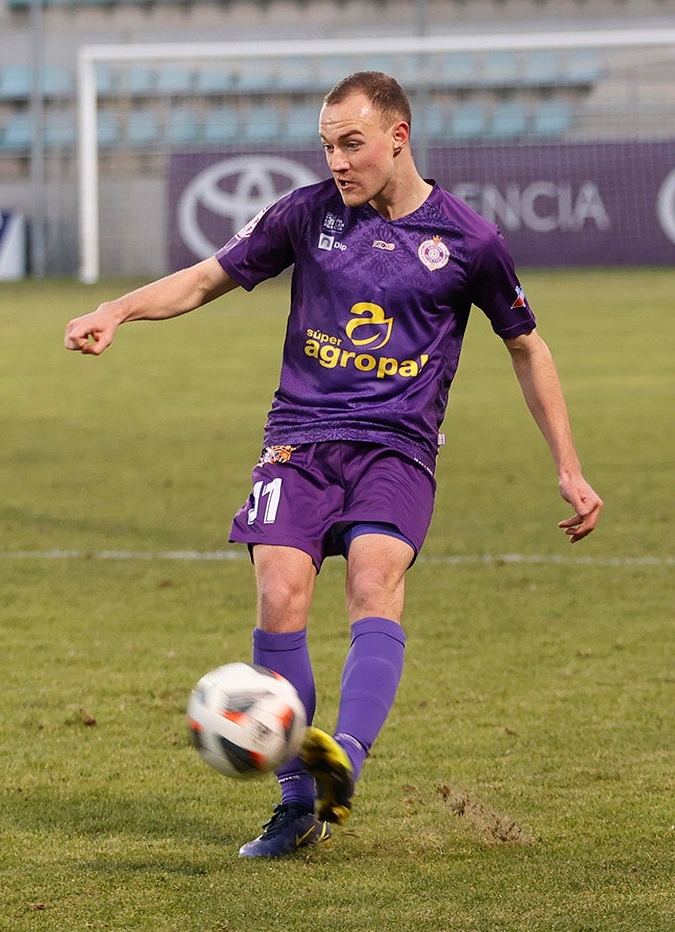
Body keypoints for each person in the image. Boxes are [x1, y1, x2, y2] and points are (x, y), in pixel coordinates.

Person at [64, 71, 603, 859]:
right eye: (327, 146)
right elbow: (210, 276)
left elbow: (527, 345)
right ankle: (295, 803)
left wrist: (569, 465)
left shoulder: (469, 241)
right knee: (281, 589)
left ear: (397, 136)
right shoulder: (306, 214)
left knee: (373, 579)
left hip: (398, 442)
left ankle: (340, 763)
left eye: (351, 144)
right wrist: (116, 310)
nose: (338, 162)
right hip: (301, 436)